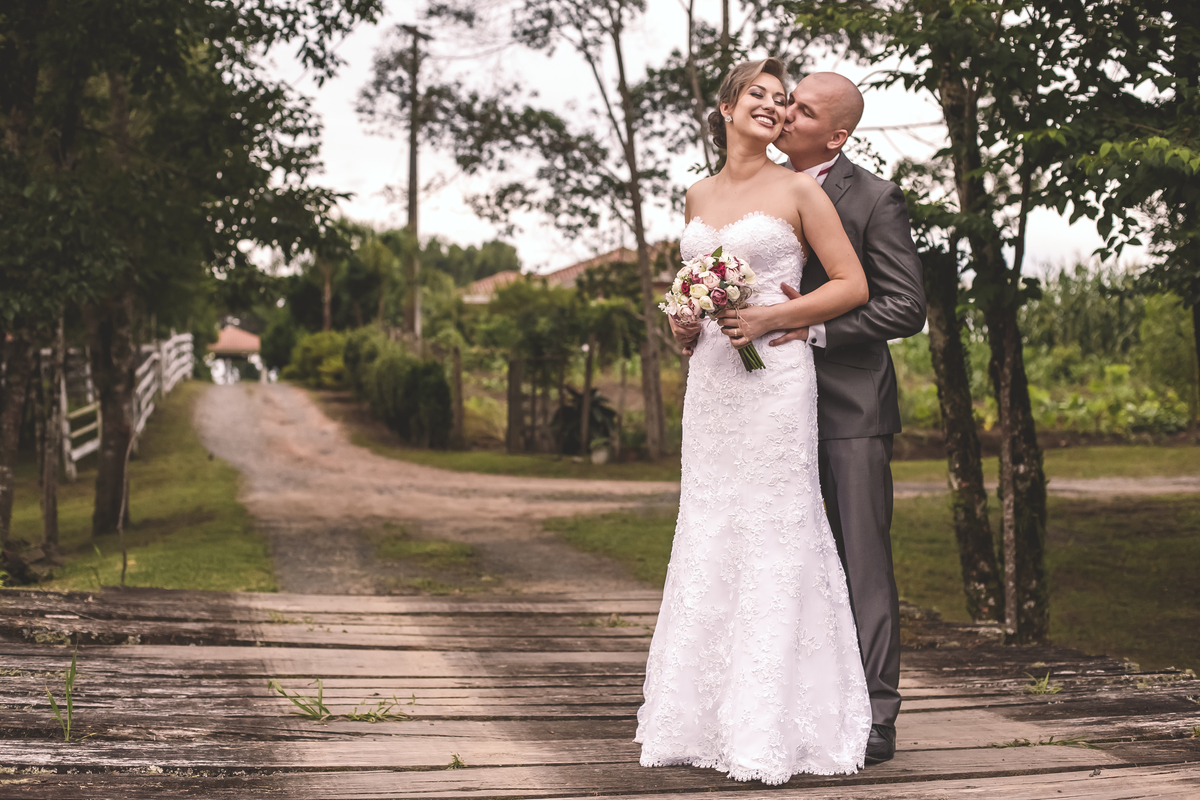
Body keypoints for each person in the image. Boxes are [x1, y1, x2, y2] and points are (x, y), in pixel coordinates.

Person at [672, 71, 927, 766]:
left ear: (835, 133)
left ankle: (873, 715)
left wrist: (800, 329)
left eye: (800, 108)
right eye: (781, 101)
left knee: (858, 561)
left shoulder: (872, 197)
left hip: (845, 402)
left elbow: (902, 306)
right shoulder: (751, 183)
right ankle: (752, 702)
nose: (784, 114)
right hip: (747, 396)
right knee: (756, 546)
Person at [635, 58, 873, 784]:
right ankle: (697, 717)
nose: (774, 106)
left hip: (774, 382)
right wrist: (683, 325)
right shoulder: (696, 193)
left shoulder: (798, 188)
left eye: (783, 100)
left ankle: (771, 724)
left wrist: (774, 314)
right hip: (710, 381)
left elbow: (852, 284)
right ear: (726, 108)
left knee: (774, 528)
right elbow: (692, 296)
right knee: (709, 525)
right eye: (760, 96)